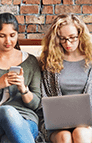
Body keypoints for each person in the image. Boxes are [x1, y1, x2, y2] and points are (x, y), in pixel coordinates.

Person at [0, 13, 41, 143]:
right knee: (8, 111)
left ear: (17, 34)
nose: (8, 41)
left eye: (12, 35)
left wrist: (23, 89)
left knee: (8, 140)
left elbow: (36, 105)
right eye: (2, 36)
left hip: (25, 119)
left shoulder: (30, 61)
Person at [40, 13, 92, 143]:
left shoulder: (90, 60)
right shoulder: (51, 62)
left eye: (72, 37)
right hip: (57, 125)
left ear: (81, 35)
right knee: (65, 137)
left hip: (87, 124)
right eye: (62, 38)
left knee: (80, 133)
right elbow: (45, 97)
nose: (67, 43)